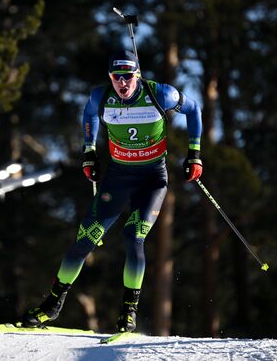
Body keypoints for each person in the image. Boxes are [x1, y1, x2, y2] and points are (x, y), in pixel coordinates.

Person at [21, 50, 203, 332]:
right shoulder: (100, 97)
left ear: (137, 75)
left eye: (128, 77)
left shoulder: (161, 94)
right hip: (117, 178)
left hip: (152, 180)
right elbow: (89, 113)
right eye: (116, 77)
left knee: (133, 237)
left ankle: (128, 312)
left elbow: (193, 110)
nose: (122, 83)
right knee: (84, 239)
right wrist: (89, 151)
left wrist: (194, 154)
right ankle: (52, 305)